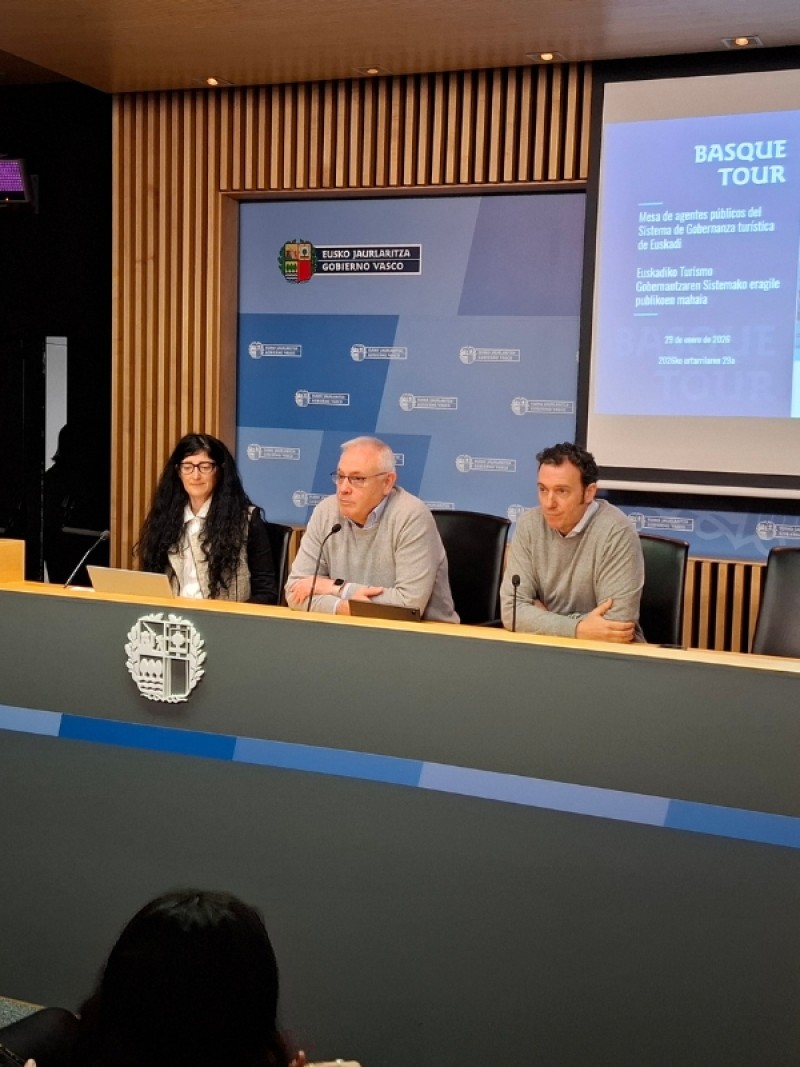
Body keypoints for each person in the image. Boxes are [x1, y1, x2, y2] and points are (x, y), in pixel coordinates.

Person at [286, 436, 458, 621]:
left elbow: (408, 606)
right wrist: (342, 607)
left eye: (357, 479)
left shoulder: (411, 516)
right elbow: (295, 591)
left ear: (387, 482)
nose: (343, 488)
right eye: (341, 477)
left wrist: (337, 588)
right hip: (347, 630)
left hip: (421, 633)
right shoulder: (326, 512)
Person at [500, 442, 645, 642]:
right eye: (543, 489)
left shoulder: (617, 532)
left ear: (589, 492)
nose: (549, 503)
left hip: (607, 654)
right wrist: (577, 628)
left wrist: (541, 618)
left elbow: (616, 625)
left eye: (561, 491)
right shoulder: (529, 525)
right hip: (545, 649)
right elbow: (513, 611)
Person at [135, 433, 277, 604]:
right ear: (178, 472)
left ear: (219, 471)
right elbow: (151, 579)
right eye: (188, 466)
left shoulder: (246, 520)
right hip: (173, 615)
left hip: (224, 617)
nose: (195, 476)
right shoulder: (165, 518)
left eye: (205, 467)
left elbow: (266, 592)